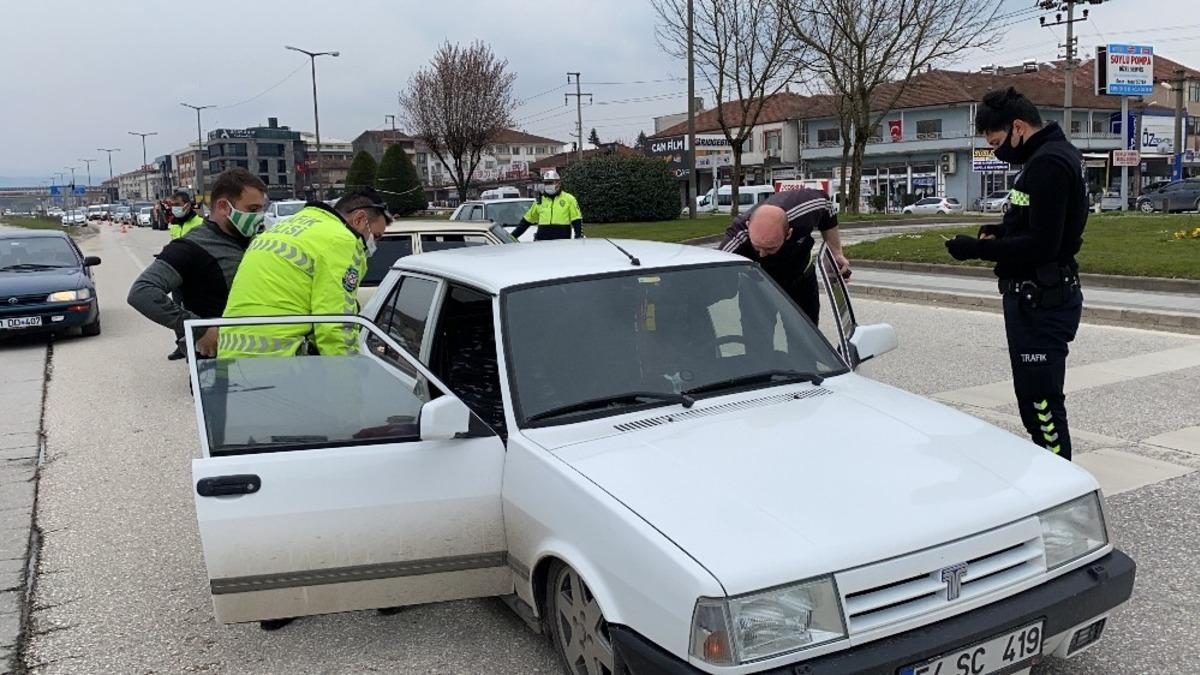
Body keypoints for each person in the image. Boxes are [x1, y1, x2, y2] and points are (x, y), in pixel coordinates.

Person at [944, 87, 1086, 461]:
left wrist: (977, 250)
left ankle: (1060, 483)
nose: (997, 151)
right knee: (1033, 403)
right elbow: (1034, 221)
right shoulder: (1045, 158)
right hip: (1034, 298)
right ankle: (1051, 474)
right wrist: (1001, 230)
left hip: (1043, 300)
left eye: (996, 143)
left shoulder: (1048, 165)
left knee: (1042, 407)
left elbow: (1043, 244)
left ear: (1018, 127)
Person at [218, 186, 390, 359]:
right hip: (278, 362)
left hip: (230, 356)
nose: (373, 244)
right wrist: (350, 377)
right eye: (375, 236)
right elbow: (335, 325)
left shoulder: (280, 229)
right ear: (359, 219)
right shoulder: (341, 240)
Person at [127, 169, 268, 360]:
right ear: (223, 207)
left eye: (261, 209)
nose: (259, 216)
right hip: (218, 365)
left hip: (267, 356)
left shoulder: (261, 241)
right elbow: (142, 292)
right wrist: (198, 329)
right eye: (252, 210)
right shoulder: (190, 247)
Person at [718, 187, 849, 326]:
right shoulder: (737, 237)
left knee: (805, 337)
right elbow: (713, 279)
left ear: (788, 234)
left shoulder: (806, 208)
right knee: (758, 341)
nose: (762, 254)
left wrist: (836, 253)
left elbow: (828, 209)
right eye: (756, 247)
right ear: (748, 226)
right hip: (758, 288)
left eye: (770, 248)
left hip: (800, 278)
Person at [511, 170, 583, 240]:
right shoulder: (540, 200)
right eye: (546, 183)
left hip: (562, 243)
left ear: (559, 183)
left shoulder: (569, 199)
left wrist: (578, 237)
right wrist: (512, 237)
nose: (548, 185)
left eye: (551, 182)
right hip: (542, 242)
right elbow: (526, 221)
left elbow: (577, 220)